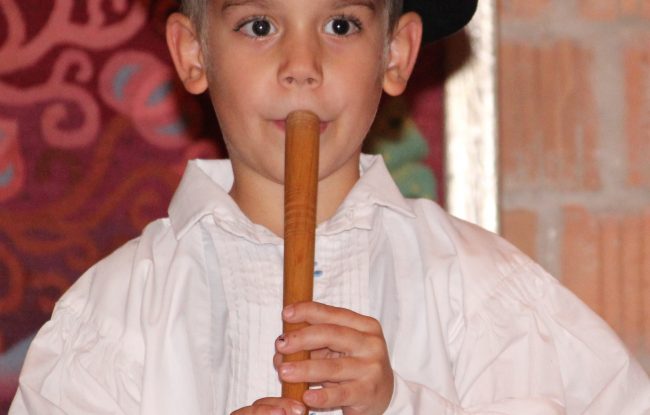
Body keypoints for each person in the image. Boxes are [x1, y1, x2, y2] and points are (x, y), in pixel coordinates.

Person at [9, 0, 650, 413]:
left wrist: (400, 405)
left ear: (395, 54)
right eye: (260, 26)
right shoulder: (111, 316)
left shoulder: (486, 294)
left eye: (340, 26)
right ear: (193, 53)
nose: (302, 66)